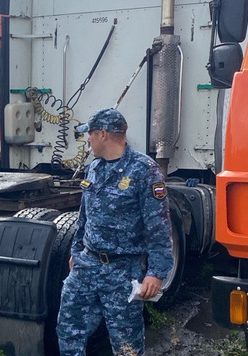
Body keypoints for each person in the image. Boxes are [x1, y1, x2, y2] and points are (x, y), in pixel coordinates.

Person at [56, 108, 173, 356]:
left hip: (122, 271)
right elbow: (84, 216)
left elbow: (159, 226)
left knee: (126, 343)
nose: (87, 139)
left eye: (90, 134)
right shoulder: (94, 168)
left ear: (103, 134)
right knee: (69, 330)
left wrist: (156, 272)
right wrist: (77, 251)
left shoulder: (144, 170)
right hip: (86, 266)